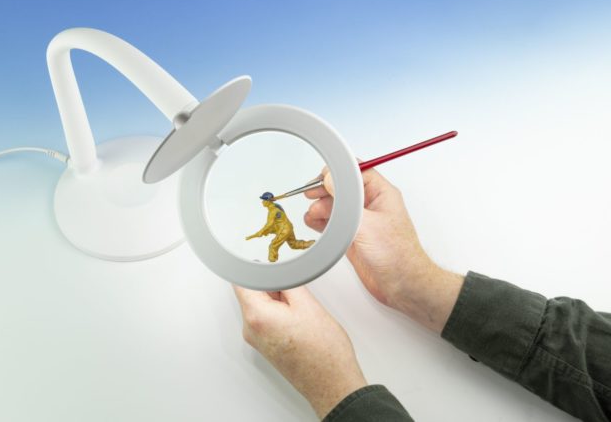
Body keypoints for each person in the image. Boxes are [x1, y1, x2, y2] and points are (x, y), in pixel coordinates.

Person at [233, 168, 611, 421]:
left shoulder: (275, 212)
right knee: (289, 242)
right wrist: (420, 288)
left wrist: (335, 390)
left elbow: (271, 228)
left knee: (284, 244)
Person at [245, 191, 315, 262]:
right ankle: (310, 244)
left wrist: (260, 232)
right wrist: (261, 233)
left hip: (284, 229)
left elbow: (269, 225)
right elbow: (275, 225)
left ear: (268, 201)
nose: (262, 202)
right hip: (288, 227)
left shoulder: (273, 211)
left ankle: (272, 263)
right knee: (293, 244)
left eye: (264, 200)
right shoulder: (276, 208)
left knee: (273, 247)